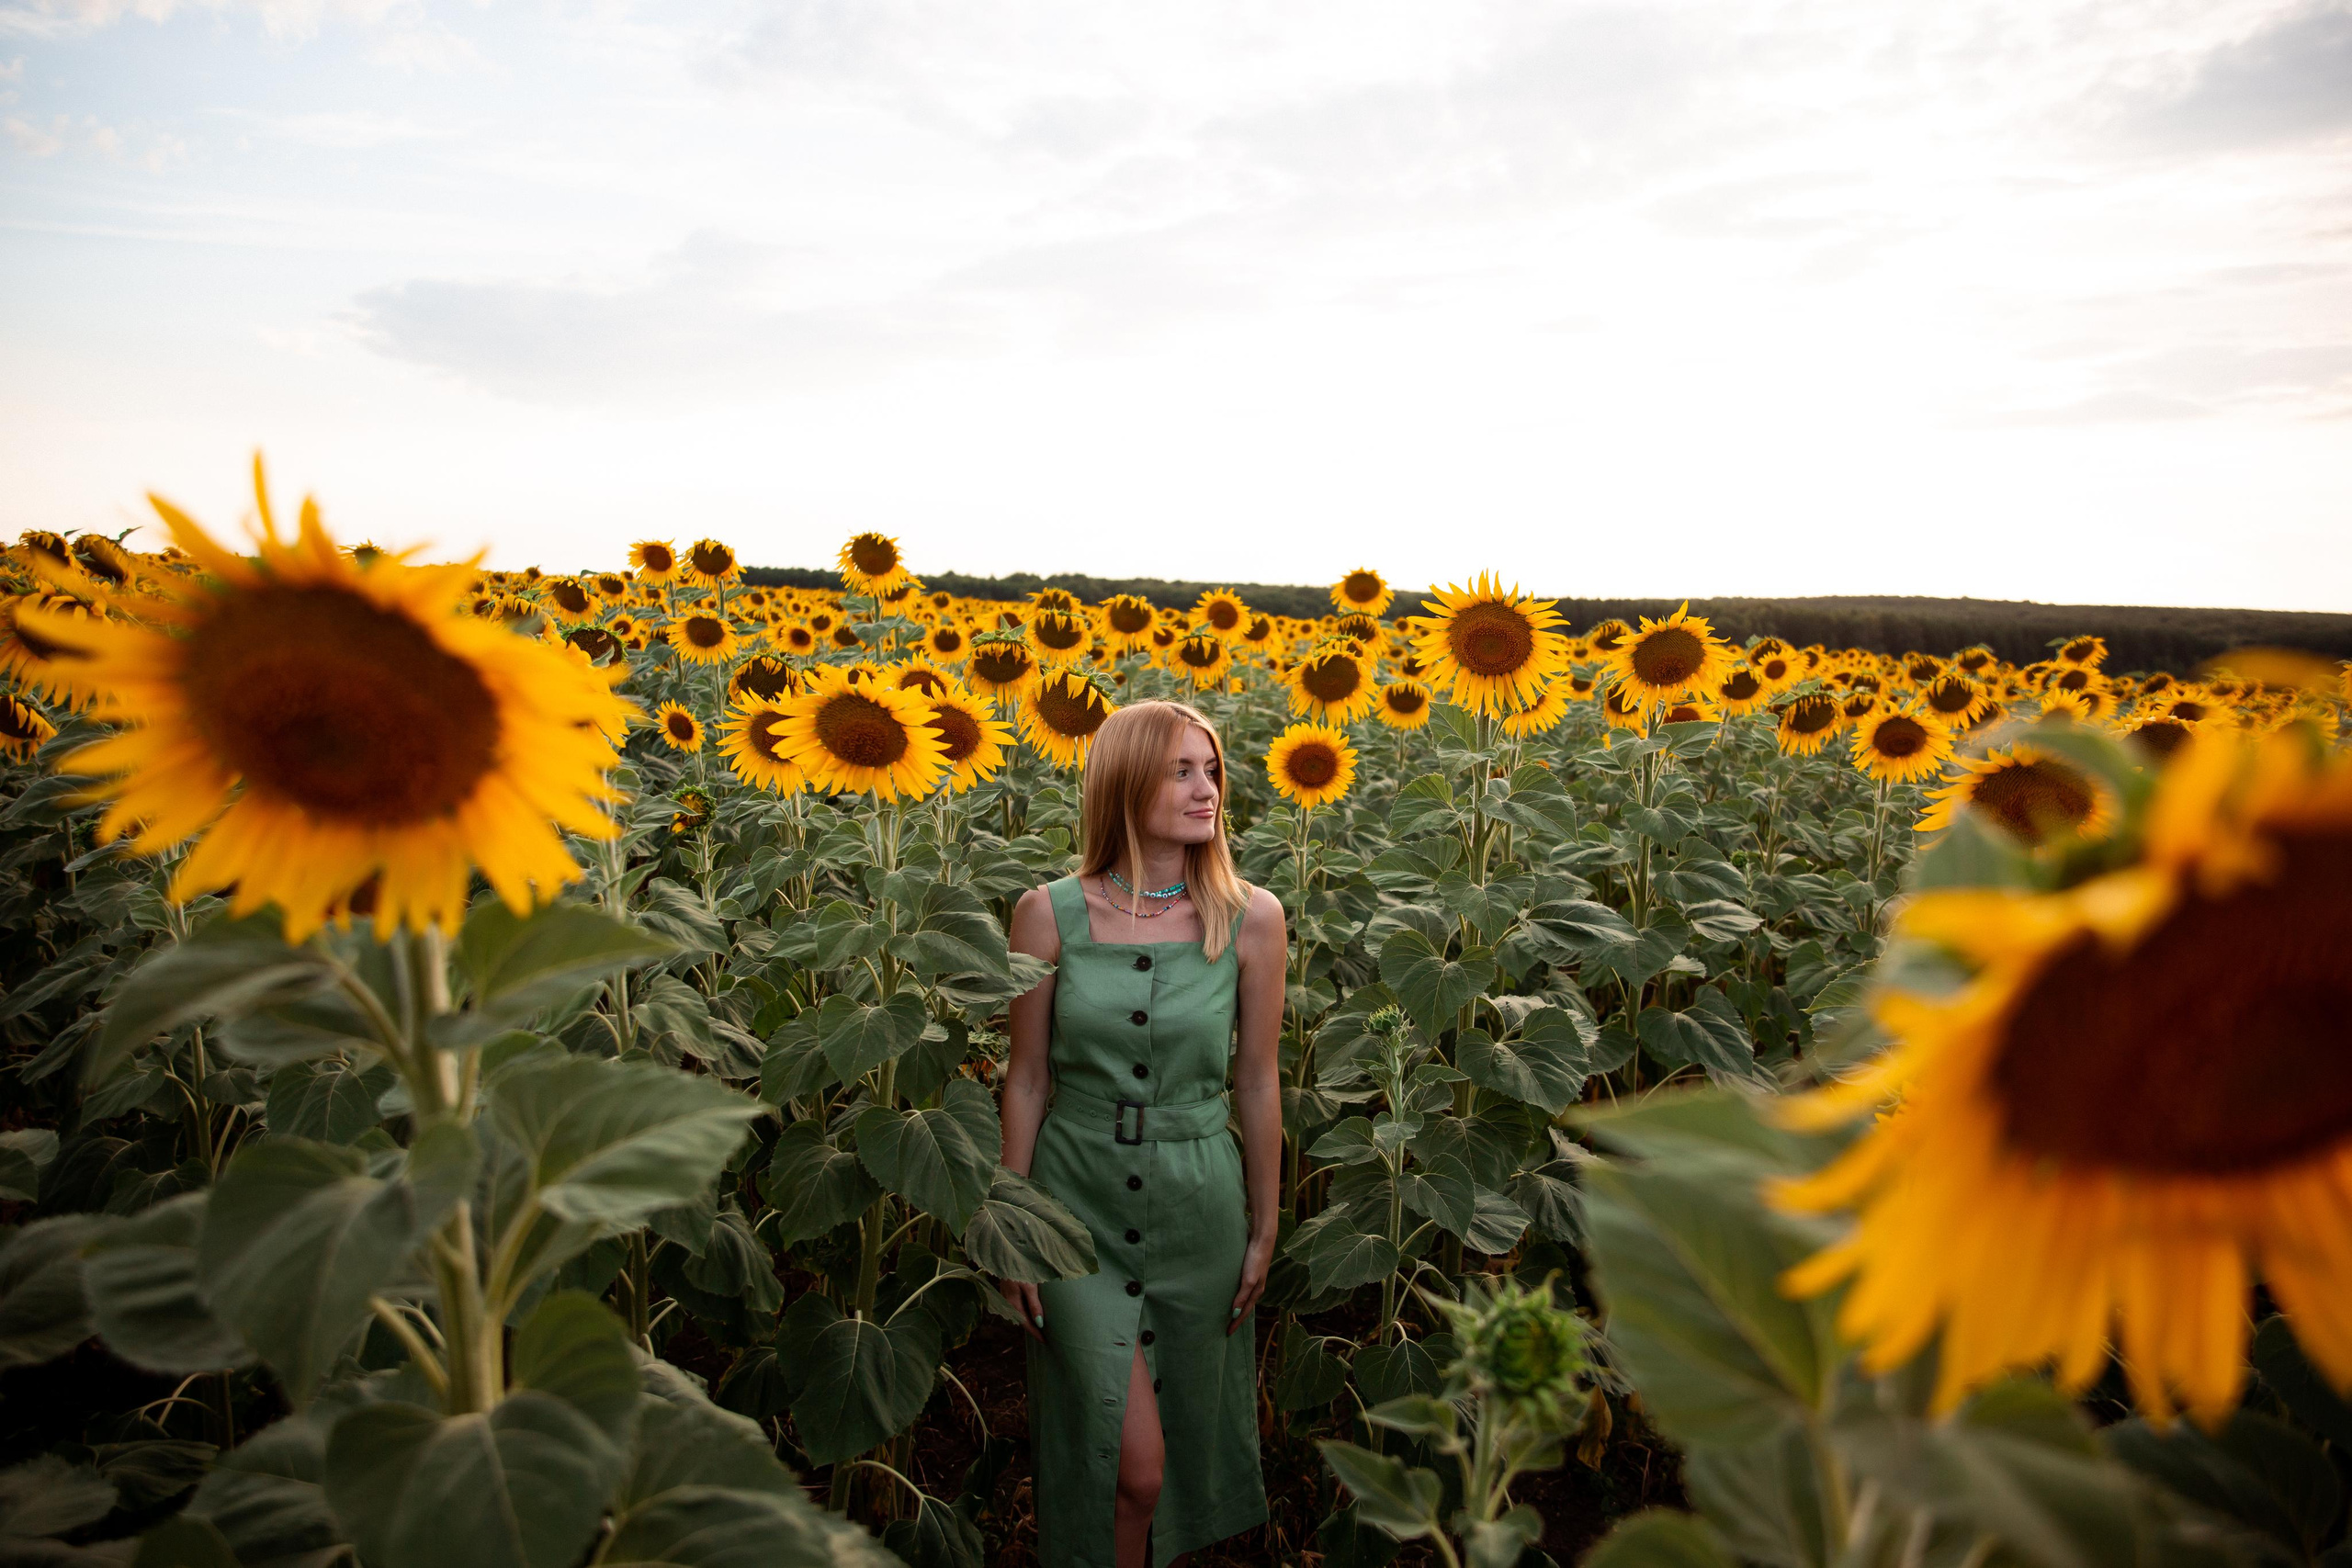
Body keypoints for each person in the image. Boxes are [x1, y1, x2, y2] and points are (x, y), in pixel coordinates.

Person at [999, 699, 1283, 1568]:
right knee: (1137, 1466)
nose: (1208, 790)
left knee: (1169, 1459)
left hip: (1200, 1204)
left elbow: (1257, 1078)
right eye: (1182, 770)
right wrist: (1013, 1226)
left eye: (1212, 770)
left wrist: (1267, 1222)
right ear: (1125, 779)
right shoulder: (1046, 913)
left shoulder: (1252, 918)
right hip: (1072, 1206)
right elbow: (1028, 1077)